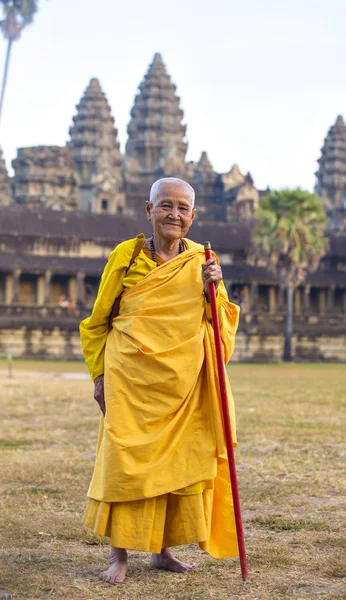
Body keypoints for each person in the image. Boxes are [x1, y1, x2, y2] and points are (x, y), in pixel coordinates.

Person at [80, 177, 240, 584]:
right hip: (129, 380)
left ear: (193, 216)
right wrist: (99, 376)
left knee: (173, 467)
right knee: (124, 463)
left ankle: (162, 551)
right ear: (149, 211)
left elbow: (218, 327)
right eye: (165, 206)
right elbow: (98, 322)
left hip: (182, 385)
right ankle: (119, 556)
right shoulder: (126, 256)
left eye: (182, 208)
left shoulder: (203, 259)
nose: (174, 214)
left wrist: (214, 289)